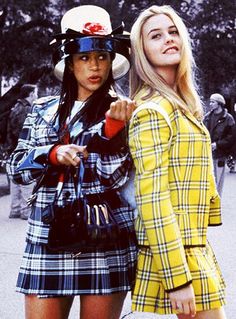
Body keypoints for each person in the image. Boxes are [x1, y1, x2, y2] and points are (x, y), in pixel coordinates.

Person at [6, 5, 137, 319]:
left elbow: (118, 180)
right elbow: (16, 168)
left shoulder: (124, 109)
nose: (95, 67)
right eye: (84, 57)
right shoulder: (42, 109)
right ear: (69, 61)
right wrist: (51, 155)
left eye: (102, 57)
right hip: (48, 234)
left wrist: (110, 134)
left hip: (104, 233)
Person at [128, 5, 226, 318]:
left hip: (194, 246)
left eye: (173, 32)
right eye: (155, 36)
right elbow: (152, 200)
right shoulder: (152, 111)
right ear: (141, 51)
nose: (168, 39)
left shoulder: (181, 105)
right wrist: (176, 278)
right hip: (178, 254)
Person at [5, 84, 38, 219]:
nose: (37, 95)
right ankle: (25, 211)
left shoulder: (15, 108)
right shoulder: (26, 109)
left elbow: (10, 130)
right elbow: (26, 131)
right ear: (30, 94)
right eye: (35, 93)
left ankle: (15, 209)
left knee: (15, 180)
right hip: (23, 148)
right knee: (26, 180)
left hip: (12, 148)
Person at [204, 93, 235, 196]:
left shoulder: (228, 119)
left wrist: (217, 145)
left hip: (220, 155)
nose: (210, 104)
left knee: (218, 182)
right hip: (207, 154)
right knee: (208, 179)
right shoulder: (207, 117)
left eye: (213, 102)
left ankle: (216, 204)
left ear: (219, 104)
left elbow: (231, 137)